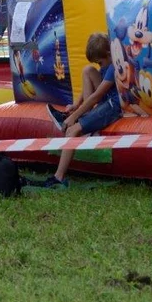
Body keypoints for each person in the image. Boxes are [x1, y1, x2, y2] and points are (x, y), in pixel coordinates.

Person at [46, 33, 121, 188]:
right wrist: (76, 105)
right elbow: (92, 93)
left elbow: (96, 96)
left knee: (72, 131)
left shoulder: (114, 66)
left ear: (108, 54)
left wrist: (74, 116)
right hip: (105, 101)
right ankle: (87, 118)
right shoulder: (108, 63)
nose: (100, 66)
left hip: (113, 106)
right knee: (88, 70)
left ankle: (58, 177)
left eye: (100, 63)